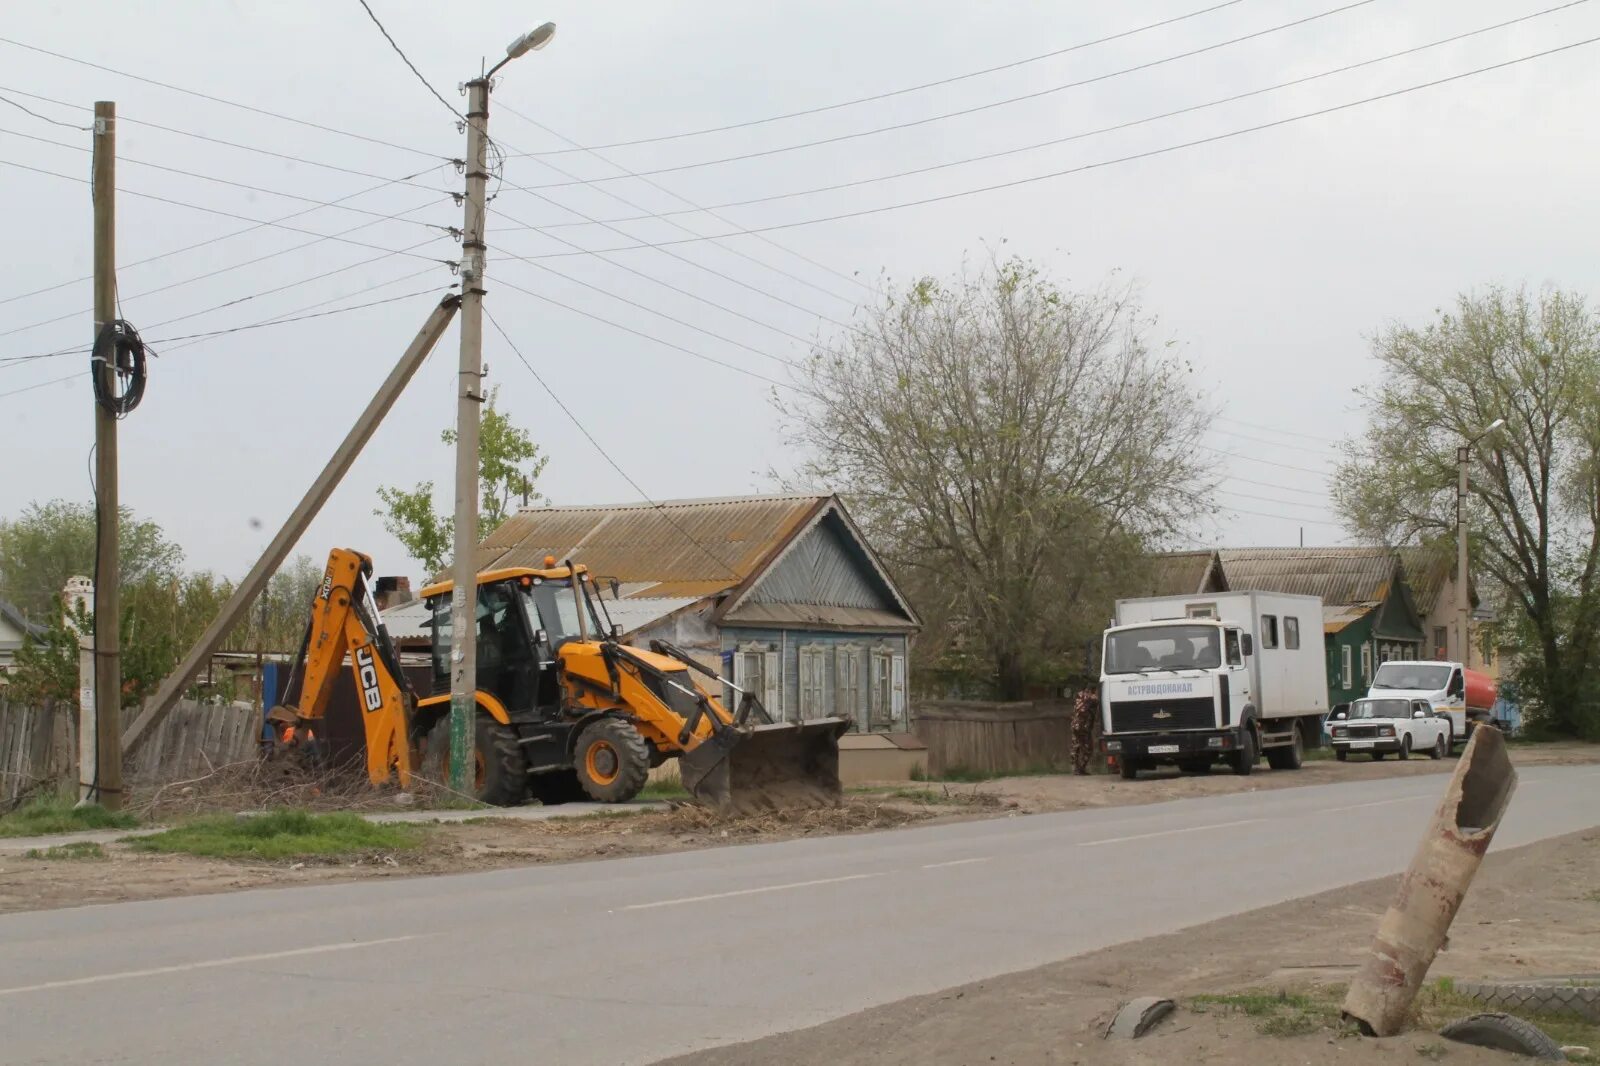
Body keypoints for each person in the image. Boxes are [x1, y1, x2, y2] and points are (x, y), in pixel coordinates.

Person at [1071, 683, 1098, 775]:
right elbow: (1090, 711)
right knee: (1088, 748)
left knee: (1076, 746)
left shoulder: (1080, 694)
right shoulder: (1092, 698)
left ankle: (1076, 768)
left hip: (1075, 725)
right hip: (1083, 726)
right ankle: (1080, 768)